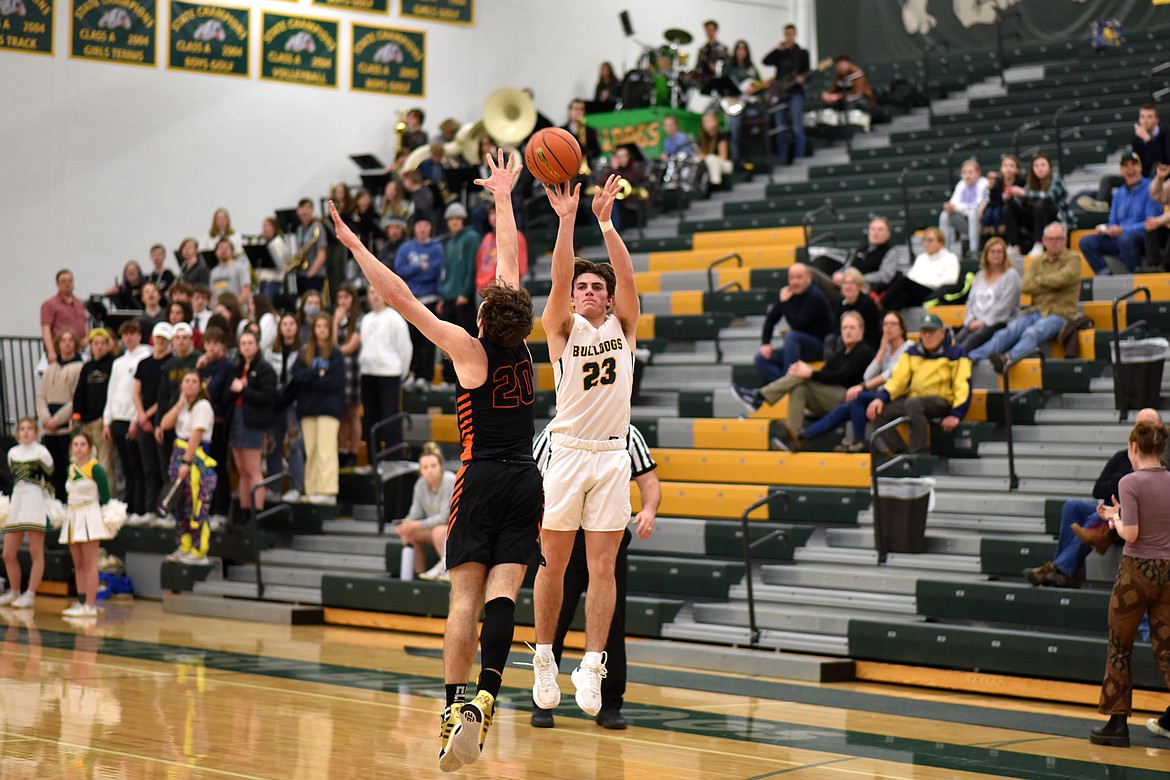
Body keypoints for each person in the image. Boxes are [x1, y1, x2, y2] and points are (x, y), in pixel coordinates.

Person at [333, 150, 540, 773]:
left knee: (462, 602)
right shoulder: (523, 346)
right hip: (526, 479)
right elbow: (509, 259)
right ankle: (488, 697)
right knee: (505, 596)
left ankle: (453, 708)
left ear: (482, 314)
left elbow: (398, 296)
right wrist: (504, 197)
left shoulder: (468, 348)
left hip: (477, 479)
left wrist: (354, 245)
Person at [532, 172, 637, 725]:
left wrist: (604, 221)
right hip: (569, 451)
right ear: (572, 299)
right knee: (553, 562)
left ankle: (592, 664)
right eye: (583, 288)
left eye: (598, 287)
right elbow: (556, 278)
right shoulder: (560, 328)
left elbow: (624, 273)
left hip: (613, 454)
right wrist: (568, 221)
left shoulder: (625, 324)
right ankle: (544, 657)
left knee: (603, 567)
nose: (591, 291)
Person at [530, 424, 659, 730]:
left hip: (608, 541)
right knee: (555, 616)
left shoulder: (628, 434)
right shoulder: (553, 434)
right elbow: (529, 478)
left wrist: (650, 509)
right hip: (567, 541)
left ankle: (610, 704)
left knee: (612, 625)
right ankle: (543, 700)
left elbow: (649, 479)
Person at [1090, 418, 1170, 748]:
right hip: (1169, 570)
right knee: (1168, 648)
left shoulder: (1129, 481)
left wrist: (1114, 518)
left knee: (1120, 648)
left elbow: (1132, 534)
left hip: (1136, 571)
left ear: (1133, 447)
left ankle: (1117, 724)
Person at [1024, 408, 1163, 590]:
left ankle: (1060, 568)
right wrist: (1121, 481)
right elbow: (1098, 489)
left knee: (1099, 515)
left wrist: (1118, 494)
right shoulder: (1123, 456)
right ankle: (1066, 571)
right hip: (1112, 507)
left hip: (1135, 515)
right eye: (1139, 426)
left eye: (1148, 425)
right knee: (1072, 506)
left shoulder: (1162, 460)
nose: (1143, 430)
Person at [731, 311, 875, 450]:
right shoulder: (842, 351)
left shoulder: (863, 351)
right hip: (828, 398)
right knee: (799, 387)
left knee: (802, 377)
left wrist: (809, 373)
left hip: (850, 399)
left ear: (861, 330)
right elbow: (825, 372)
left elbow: (841, 376)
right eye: (845, 327)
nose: (848, 331)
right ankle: (792, 435)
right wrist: (807, 370)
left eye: (852, 327)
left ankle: (759, 397)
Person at [969, 223, 1081, 372]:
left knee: (1033, 332)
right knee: (1006, 332)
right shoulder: (1037, 260)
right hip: (1035, 310)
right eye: (1050, 239)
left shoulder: (1073, 258)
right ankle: (970, 357)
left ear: (1065, 240)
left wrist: (1040, 280)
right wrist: (1051, 282)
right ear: (1044, 241)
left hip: (1060, 313)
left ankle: (1009, 359)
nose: (1054, 242)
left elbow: (1064, 279)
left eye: (1058, 239)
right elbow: (1026, 286)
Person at [801, 311, 913, 452]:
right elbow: (868, 375)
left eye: (893, 324)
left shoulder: (909, 347)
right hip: (881, 394)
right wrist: (882, 349)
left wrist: (861, 387)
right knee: (846, 407)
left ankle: (858, 441)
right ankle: (804, 436)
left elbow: (890, 375)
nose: (888, 328)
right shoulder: (886, 349)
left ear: (902, 328)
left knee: (857, 397)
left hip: (897, 394)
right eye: (885, 324)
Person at [867, 313, 972, 454]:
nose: (927, 336)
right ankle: (902, 453)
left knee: (912, 403)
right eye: (924, 332)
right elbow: (898, 380)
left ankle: (920, 453)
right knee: (879, 412)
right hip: (916, 400)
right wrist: (880, 398)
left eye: (932, 331)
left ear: (942, 333)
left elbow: (963, 384)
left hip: (941, 400)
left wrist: (957, 413)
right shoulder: (913, 352)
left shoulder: (956, 352)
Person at [158, 370, 217, 564]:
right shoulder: (183, 405)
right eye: (187, 381)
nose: (190, 385)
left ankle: (199, 550)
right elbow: (165, 424)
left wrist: (186, 462)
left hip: (195, 459)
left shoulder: (203, 406)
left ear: (200, 385)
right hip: (178, 454)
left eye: (194, 381)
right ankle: (184, 545)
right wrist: (179, 403)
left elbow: (196, 435)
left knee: (196, 505)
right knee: (181, 505)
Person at [289, 314, 345, 505]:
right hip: (308, 409)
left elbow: (334, 381)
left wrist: (311, 379)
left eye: (324, 326)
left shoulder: (336, 354)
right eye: (318, 326)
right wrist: (317, 374)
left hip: (329, 409)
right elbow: (297, 376)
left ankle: (328, 491)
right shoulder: (305, 353)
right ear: (313, 330)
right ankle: (312, 489)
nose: (321, 329)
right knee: (311, 450)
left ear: (329, 329)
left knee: (326, 450)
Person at [1079, 152, 1163, 275]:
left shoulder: (1151, 187)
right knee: (1086, 242)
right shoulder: (1119, 193)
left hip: (1143, 237)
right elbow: (1113, 221)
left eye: (1133, 164)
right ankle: (1105, 274)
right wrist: (1106, 229)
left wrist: (1123, 229)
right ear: (1121, 170)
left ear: (1140, 167)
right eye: (1125, 166)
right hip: (1120, 237)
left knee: (1125, 238)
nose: (1130, 169)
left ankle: (1134, 274)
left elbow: (1152, 222)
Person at [60, 431, 115, 617]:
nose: (78, 448)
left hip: (90, 515)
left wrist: (107, 516)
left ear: (90, 447)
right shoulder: (70, 468)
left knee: (91, 563)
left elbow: (106, 496)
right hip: (73, 517)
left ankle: (90, 605)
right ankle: (81, 601)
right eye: (75, 444)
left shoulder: (95, 468)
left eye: (82, 444)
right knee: (79, 563)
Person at [1, 417, 53, 609]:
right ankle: (14, 591)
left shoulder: (43, 453)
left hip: (35, 500)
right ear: (17, 433)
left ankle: (30, 593)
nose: (25, 432)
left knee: (35, 551)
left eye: (29, 428)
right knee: (8, 553)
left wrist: (48, 506)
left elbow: (48, 482)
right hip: (17, 500)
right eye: (22, 428)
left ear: (36, 432)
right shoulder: (12, 453)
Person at [1079, 105, 1170, 213]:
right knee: (1107, 180)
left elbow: (1163, 160)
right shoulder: (1137, 138)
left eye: (1149, 117)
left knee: (1156, 167)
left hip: (1161, 177)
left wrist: (1148, 140)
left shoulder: (1165, 133)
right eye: (1142, 117)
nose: (1145, 121)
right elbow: (1138, 161)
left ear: (1156, 119)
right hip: (1141, 176)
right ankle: (1101, 204)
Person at [358, 286, 412, 468]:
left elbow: (405, 349)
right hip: (368, 373)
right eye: (371, 292)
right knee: (370, 417)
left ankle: (394, 460)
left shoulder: (395, 319)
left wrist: (401, 372)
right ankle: (372, 462)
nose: (375, 296)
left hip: (389, 373)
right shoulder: (365, 320)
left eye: (378, 292)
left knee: (390, 418)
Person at [755, 263, 834, 383]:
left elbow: (798, 324)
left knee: (792, 335)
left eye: (799, 277)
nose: (795, 282)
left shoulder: (815, 296)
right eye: (792, 278)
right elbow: (771, 319)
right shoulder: (789, 294)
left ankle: (787, 381)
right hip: (797, 347)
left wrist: (784, 303)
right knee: (761, 358)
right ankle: (784, 384)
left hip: (819, 346)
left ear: (809, 279)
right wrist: (765, 343)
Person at [103, 320, 151, 520]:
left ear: (139, 335)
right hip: (117, 420)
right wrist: (107, 420)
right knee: (126, 466)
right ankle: (129, 506)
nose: (129, 338)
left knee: (137, 465)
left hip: (134, 420)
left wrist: (135, 419)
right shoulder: (118, 362)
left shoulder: (145, 357)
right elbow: (111, 392)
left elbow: (139, 393)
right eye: (125, 334)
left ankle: (139, 508)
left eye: (133, 333)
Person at [228, 330, 277, 518]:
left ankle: (257, 513)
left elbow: (268, 397)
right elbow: (229, 394)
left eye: (250, 343)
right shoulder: (237, 368)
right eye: (243, 343)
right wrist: (235, 390)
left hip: (253, 422)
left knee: (253, 469)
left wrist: (244, 390)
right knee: (241, 470)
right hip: (236, 420)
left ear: (257, 345)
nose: (246, 346)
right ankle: (244, 511)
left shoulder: (264, 369)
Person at [393, 442, 456, 581]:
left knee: (439, 531)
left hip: (455, 531)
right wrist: (405, 524)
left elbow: (444, 517)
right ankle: (419, 575)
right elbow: (415, 513)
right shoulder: (420, 484)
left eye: (433, 466)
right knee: (409, 532)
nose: (430, 470)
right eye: (425, 467)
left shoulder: (449, 480)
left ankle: (448, 569)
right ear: (420, 470)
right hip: (433, 529)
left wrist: (415, 525)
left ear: (441, 467)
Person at [395, 216, 445, 389]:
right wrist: (419, 267)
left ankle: (426, 377)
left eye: (426, 225)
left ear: (430, 228)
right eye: (419, 225)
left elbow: (433, 272)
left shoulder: (436, 248)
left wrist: (416, 273)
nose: (422, 229)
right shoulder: (406, 248)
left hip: (429, 300)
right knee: (411, 340)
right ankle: (412, 374)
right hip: (409, 301)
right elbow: (399, 270)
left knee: (428, 342)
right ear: (414, 228)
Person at [36, 328, 83, 499]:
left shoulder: (79, 367)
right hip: (49, 428)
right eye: (63, 340)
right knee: (52, 470)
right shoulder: (51, 368)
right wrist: (46, 418)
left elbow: (76, 398)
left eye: (70, 340)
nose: (67, 343)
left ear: (75, 344)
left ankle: (70, 502)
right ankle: (57, 503)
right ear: (58, 344)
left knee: (68, 467)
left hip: (65, 427)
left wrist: (57, 419)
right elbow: (40, 395)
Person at [133, 322, 172, 522]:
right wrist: (141, 416)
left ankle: (166, 509)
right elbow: (136, 392)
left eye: (164, 339)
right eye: (158, 338)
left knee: (165, 467)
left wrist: (148, 415)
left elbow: (165, 396)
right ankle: (149, 509)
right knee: (149, 468)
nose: (160, 342)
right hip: (144, 421)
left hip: (161, 422)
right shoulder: (144, 363)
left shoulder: (171, 363)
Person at [72, 327, 118, 496]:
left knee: (105, 464)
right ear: (91, 345)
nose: (99, 347)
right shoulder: (87, 367)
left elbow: (113, 393)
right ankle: (89, 496)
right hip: (86, 422)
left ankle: (109, 500)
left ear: (108, 345)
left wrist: (105, 418)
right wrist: (77, 414)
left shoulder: (113, 364)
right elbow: (80, 392)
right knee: (86, 461)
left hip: (101, 422)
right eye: (96, 343)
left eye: (102, 343)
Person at [953, 238, 1021, 353]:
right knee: (956, 339)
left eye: (999, 252)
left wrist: (983, 322)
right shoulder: (979, 276)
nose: (996, 255)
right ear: (986, 255)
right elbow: (970, 302)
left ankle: (955, 361)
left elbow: (1005, 306)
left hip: (998, 322)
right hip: (975, 322)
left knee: (971, 340)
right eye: (992, 252)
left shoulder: (1011, 276)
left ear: (1005, 255)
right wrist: (970, 320)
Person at [265, 313, 305, 502]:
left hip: (293, 405)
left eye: (291, 324)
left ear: (296, 328)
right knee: (274, 445)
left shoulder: (303, 351)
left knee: (295, 445)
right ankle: (274, 487)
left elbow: (299, 380)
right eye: (285, 324)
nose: (288, 327)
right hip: (274, 405)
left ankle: (296, 486)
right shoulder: (270, 351)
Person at [195, 327, 234, 525]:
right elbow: (193, 391)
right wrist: (198, 368)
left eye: (215, 342)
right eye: (207, 342)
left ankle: (222, 509)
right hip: (201, 424)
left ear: (223, 344)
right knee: (202, 469)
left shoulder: (227, 366)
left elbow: (219, 394)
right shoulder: (204, 366)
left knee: (218, 466)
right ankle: (206, 508)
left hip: (218, 423)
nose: (210, 347)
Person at [811, 217, 900, 296]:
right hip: (845, 283)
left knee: (811, 274)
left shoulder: (890, 252)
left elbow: (884, 276)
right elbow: (847, 266)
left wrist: (855, 279)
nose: (875, 233)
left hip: (864, 287)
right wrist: (838, 274)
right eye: (872, 229)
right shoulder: (861, 249)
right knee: (817, 267)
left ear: (888, 234)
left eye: (880, 229)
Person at [879, 228, 960, 312]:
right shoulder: (921, 258)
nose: (926, 244)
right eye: (924, 240)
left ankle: (881, 303)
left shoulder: (950, 258)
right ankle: (884, 317)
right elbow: (911, 276)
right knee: (902, 297)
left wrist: (924, 281)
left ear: (941, 243)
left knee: (903, 281)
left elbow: (951, 280)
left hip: (933, 291)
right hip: (916, 291)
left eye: (930, 240)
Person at [1004, 153, 1069, 255]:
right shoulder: (1031, 182)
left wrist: (1024, 193)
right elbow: (1020, 201)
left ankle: (1039, 243)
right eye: (1036, 166)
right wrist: (1010, 198)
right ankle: (1013, 245)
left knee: (1040, 203)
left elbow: (1049, 197)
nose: (1039, 168)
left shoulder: (1057, 179)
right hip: (1036, 220)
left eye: (1043, 165)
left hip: (1056, 219)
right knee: (1009, 207)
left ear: (1050, 167)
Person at [763, 24, 811, 161]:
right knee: (780, 126)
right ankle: (782, 157)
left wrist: (803, 79)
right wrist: (777, 49)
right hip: (780, 93)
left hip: (795, 91)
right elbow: (765, 61)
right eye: (786, 34)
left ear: (795, 35)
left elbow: (808, 73)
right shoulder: (780, 54)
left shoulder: (802, 53)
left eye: (791, 34)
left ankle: (799, 156)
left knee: (797, 125)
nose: (788, 37)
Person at [332, 285, 363, 469]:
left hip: (353, 370)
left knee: (352, 413)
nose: (342, 301)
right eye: (340, 297)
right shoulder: (338, 319)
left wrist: (337, 350)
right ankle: (343, 450)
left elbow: (350, 347)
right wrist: (335, 323)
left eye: (346, 297)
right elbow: (331, 343)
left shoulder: (358, 319)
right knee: (341, 413)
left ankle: (354, 451)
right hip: (338, 371)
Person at [939, 158, 990, 256]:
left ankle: (973, 250)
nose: (967, 176)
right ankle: (944, 251)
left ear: (978, 173)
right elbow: (953, 202)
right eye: (964, 172)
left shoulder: (984, 183)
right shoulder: (961, 184)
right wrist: (949, 207)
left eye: (970, 172)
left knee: (972, 213)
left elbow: (977, 205)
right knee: (945, 215)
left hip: (981, 221)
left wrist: (957, 207)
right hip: (965, 222)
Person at [476, 203, 530, 294]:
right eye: (491, 213)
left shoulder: (516, 236)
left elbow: (520, 266)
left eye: (497, 212)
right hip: (483, 289)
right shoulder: (487, 238)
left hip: (503, 291)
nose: (494, 217)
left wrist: (505, 286)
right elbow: (479, 263)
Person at [723, 39, 761, 165]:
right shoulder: (730, 68)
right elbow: (723, 86)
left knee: (754, 128)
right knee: (734, 128)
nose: (741, 51)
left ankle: (754, 156)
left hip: (750, 104)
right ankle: (736, 159)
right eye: (739, 48)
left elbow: (759, 84)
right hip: (736, 104)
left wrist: (754, 88)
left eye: (743, 49)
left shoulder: (751, 67)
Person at [41, 269, 88, 363]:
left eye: (70, 281)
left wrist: (87, 338)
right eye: (63, 281)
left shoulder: (80, 303)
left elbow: (85, 322)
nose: (67, 284)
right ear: (57, 285)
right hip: (60, 353)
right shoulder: (49, 304)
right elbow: (46, 329)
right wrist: (51, 351)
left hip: (78, 351)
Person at [834, 268, 882, 351]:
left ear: (859, 286)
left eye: (851, 283)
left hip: (866, 341)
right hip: (847, 338)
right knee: (830, 339)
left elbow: (872, 331)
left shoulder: (867, 303)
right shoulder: (840, 302)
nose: (847, 286)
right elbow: (836, 326)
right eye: (845, 283)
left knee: (841, 340)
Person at [981, 154, 1023, 238]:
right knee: (991, 212)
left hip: (1016, 210)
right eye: (1005, 166)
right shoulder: (998, 183)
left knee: (1003, 210)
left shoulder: (1021, 183)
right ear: (1001, 169)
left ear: (1017, 169)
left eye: (1011, 166)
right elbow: (994, 200)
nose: (1008, 169)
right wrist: (991, 188)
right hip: (999, 209)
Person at [294, 198, 329, 296]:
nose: (304, 211)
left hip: (315, 274)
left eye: (307, 208)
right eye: (301, 208)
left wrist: (310, 274)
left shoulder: (318, 227)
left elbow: (322, 254)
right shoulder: (300, 229)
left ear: (312, 210)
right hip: (301, 273)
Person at [208, 237, 252, 303]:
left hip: (236, 309)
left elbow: (245, 291)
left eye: (227, 248)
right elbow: (212, 295)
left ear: (232, 252)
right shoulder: (213, 272)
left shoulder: (240, 268)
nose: (224, 251)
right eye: (221, 248)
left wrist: (234, 306)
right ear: (216, 252)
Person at [697, 112, 732, 190]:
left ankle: (715, 183)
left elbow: (723, 157)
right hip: (710, 164)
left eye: (709, 121)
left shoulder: (721, 136)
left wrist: (706, 157)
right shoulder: (702, 139)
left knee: (711, 158)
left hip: (725, 164)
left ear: (715, 122)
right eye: (704, 122)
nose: (706, 124)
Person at [563, 99, 600, 170]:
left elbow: (596, 151)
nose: (578, 112)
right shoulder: (562, 131)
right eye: (576, 109)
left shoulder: (590, 130)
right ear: (570, 111)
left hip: (586, 168)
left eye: (581, 109)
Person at [695, 19, 728, 90]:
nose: (710, 33)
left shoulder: (723, 49)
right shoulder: (702, 50)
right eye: (708, 30)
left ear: (716, 31)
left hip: (719, 82)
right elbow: (697, 67)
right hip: (704, 82)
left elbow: (728, 66)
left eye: (711, 30)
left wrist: (718, 68)